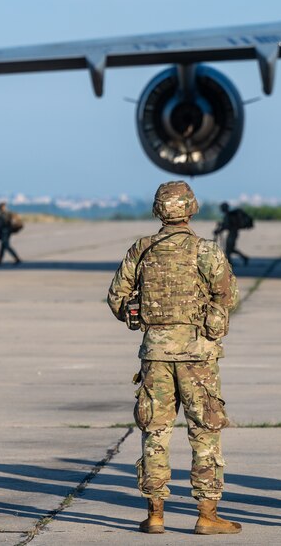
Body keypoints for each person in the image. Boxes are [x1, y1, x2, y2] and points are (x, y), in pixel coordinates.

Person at [107, 181, 242, 535]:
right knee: (205, 432)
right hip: (197, 355)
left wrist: (134, 314)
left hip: (155, 354)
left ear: (157, 211)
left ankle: (155, 514)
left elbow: (117, 297)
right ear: (191, 209)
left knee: (155, 432)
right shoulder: (205, 250)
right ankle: (206, 514)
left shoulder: (142, 250)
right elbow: (228, 294)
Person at [213, 202, 251, 266]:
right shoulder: (229, 215)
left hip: (232, 234)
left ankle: (230, 264)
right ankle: (244, 258)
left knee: (228, 250)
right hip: (233, 233)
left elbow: (226, 226)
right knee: (231, 249)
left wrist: (218, 231)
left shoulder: (228, 216)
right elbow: (226, 225)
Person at [0, 201, 21, 266]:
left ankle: (16, 258)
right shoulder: (7, 214)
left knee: (6, 246)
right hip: (6, 231)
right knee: (3, 246)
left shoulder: (4, 215)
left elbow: (1, 224)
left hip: (5, 232)